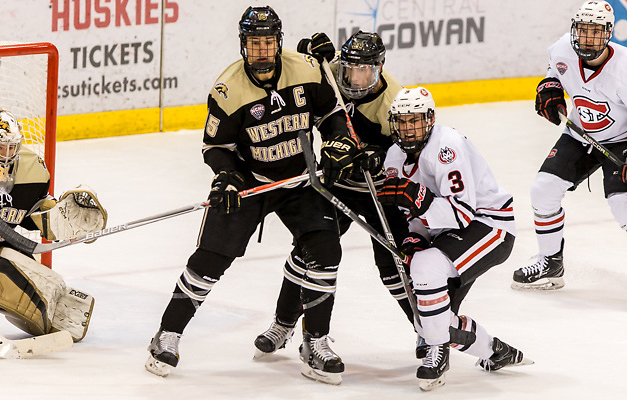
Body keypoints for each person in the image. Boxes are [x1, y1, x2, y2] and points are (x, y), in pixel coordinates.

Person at [145, 6, 357, 384]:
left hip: (299, 180)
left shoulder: (307, 70)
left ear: (279, 42)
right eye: (255, 42)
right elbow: (216, 146)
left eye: (269, 41)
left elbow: (330, 114)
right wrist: (226, 176)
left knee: (326, 252)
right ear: (243, 44)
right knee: (211, 258)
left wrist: (339, 139)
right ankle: (168, 333)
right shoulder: (227, 90)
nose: (263, 50)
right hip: (250, 182)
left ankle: (315, 342)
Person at [253, 30, 425, 367]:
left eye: (365, 72)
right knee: (308, 252)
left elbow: (410, 150)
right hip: (338, 183)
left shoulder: (391, 101)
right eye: (350, 70)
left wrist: (379, 155)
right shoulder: (333, 75)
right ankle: (283, 323)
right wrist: (309, 52)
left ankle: (426, 330)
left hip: (380, 192)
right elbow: (303, 65)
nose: (356, 79)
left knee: (396, 266)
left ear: (378, 68)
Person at [377, 87, 530, 390]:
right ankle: (494, 350)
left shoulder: (446, 146)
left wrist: (418, 200)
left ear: (430, 119)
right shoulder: (394, 155)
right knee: (430, 318)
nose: (408, 128)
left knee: (426, 267)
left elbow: (461, 212)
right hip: (448, 230)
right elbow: (412, 213)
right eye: (402, 121)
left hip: (490, 225)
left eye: (415, 121)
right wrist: (415, 236)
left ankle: (437, 352)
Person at [512, 1, 627, 290]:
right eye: (583, 31)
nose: (588, 39)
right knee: (543, 189)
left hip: (621, 141)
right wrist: (549, 87)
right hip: (579, 134)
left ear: (608, 34)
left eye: (596, 32)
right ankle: (551, 262)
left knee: (622, 204)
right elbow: (554, 71)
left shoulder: (624, 70)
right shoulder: (562, 48)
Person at [0, 107, 106, 343]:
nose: (7, 154)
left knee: (56, 312)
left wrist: (63, 219)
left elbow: (32, 213)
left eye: (12, 147)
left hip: (2, 246)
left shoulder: (32, 169)